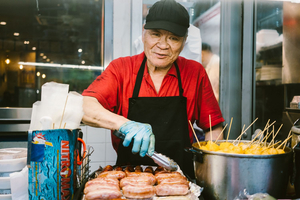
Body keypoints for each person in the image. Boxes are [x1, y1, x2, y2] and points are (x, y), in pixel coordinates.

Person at [81, 0, 224, 178]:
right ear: (144, 33)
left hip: (180, 179)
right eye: (156, 34)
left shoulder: (195, 73)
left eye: (173, 38)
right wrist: (124, 124)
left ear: (184, 40)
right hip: (128, 178)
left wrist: (208, 175)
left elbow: (213, 128)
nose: (163, 45)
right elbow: (84, 107)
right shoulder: (121, 69)